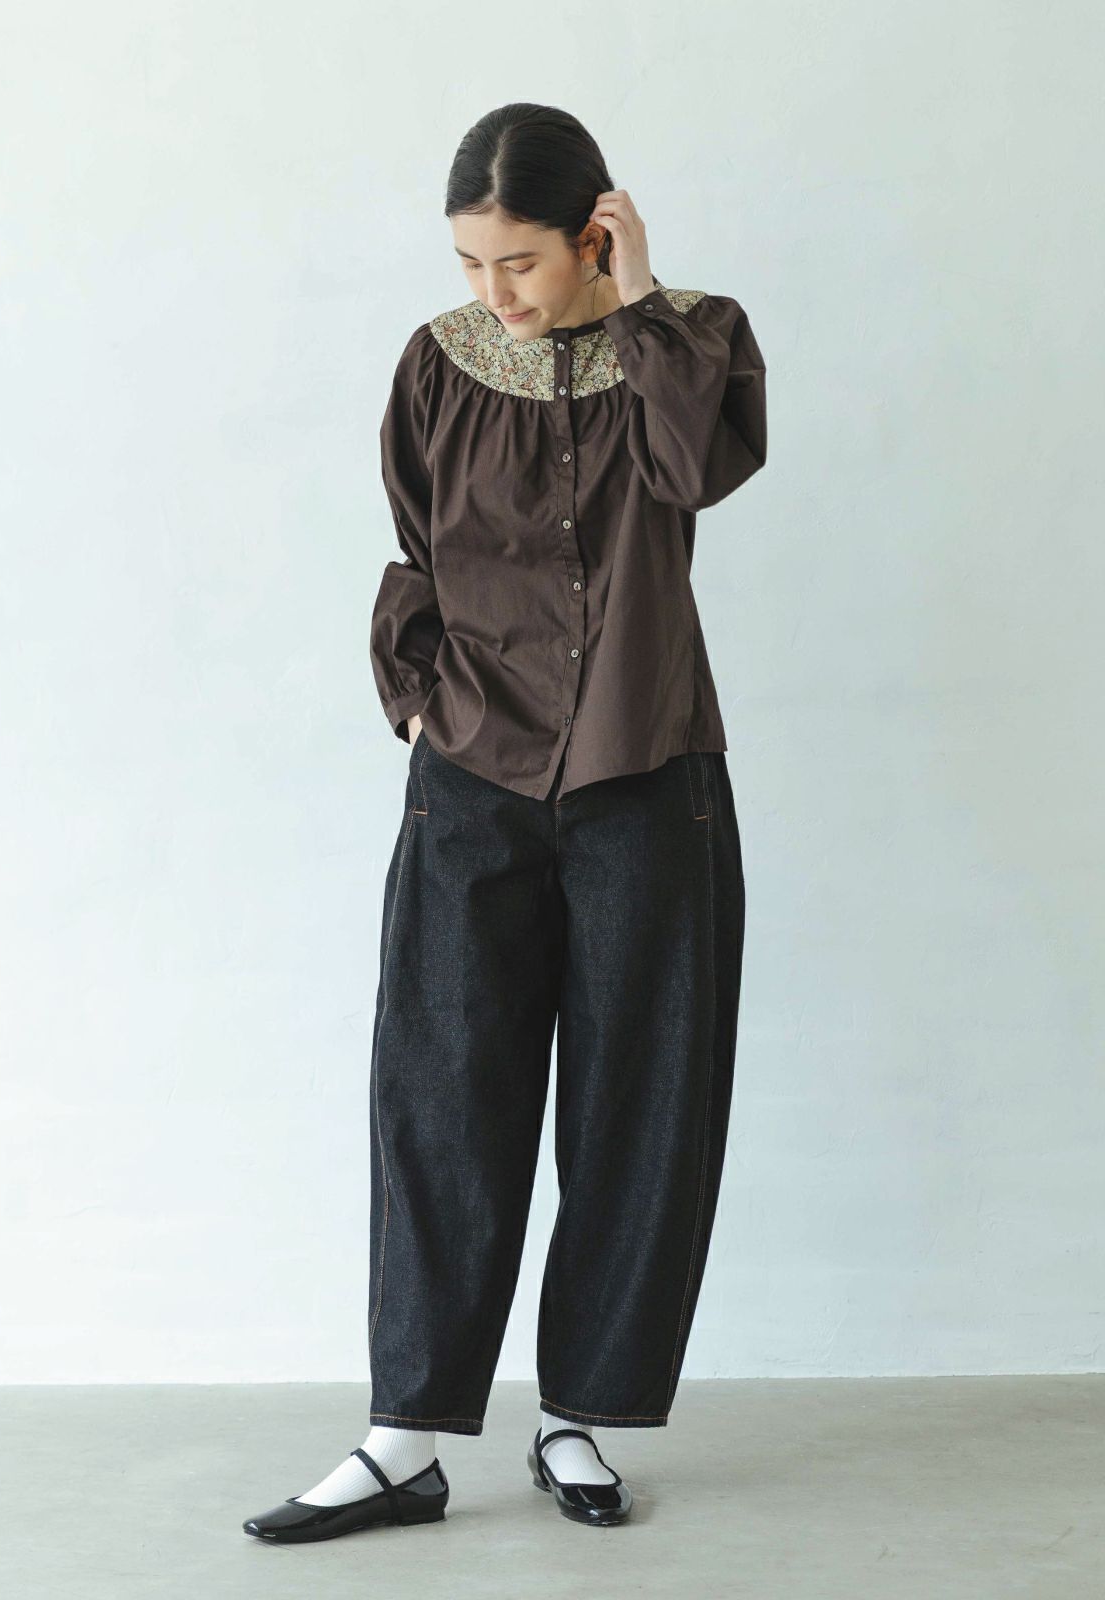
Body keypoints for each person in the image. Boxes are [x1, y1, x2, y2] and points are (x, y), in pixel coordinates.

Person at [243, 101, 766, 1545]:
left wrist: (642, 301)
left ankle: (578, 1414)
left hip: (646, 770)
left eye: (521, 260)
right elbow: (419, 545)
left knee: (637, 1103)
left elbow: (695, 474)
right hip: (472, 772)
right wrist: (419, 702)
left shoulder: (693, 341)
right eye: (472, 262)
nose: (495, 290)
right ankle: (403, 1438)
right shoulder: (440, 360)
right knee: (441, 1093)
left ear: (594, 233)